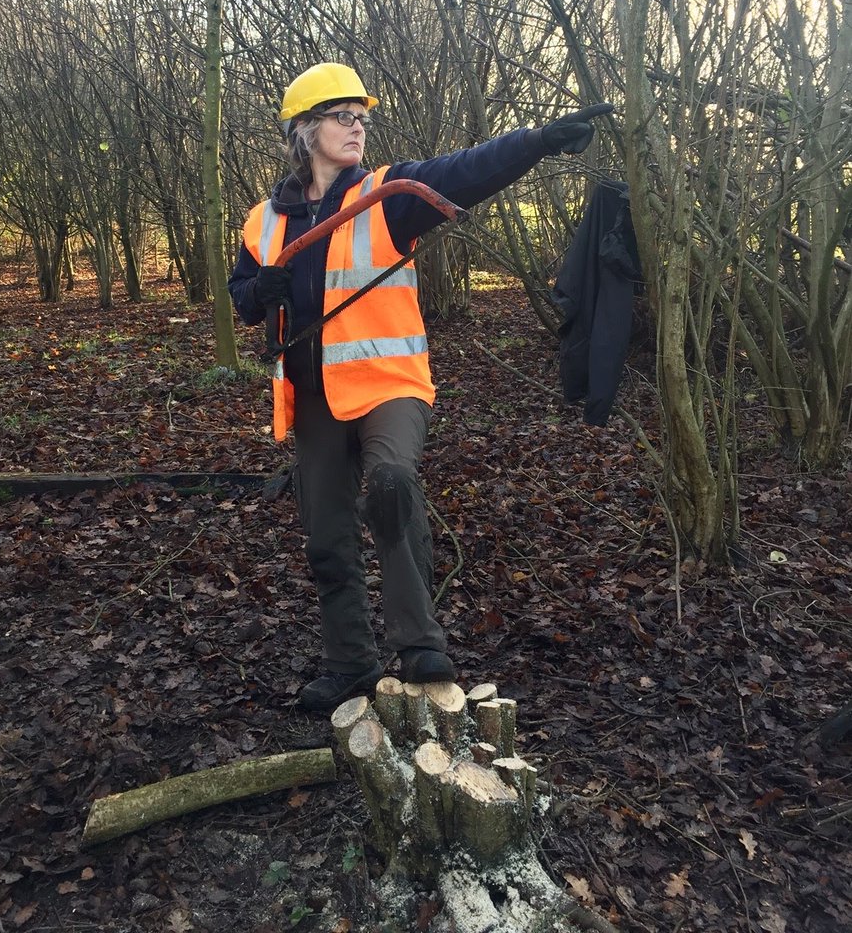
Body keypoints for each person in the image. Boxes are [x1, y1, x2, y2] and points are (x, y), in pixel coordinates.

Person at [229, 61, 612, 711]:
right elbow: (243, 295)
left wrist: (537, 141)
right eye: (342, 117)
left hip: (389, 385)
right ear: (304, 130)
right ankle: (349, 661)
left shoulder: (387, 193)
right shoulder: (263, 221)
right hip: (314, 395)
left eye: (362, 118)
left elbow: (465, 169)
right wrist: (258, 292)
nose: (357, 128)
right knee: (325, 536)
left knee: (391, 484)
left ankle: (419, 645)